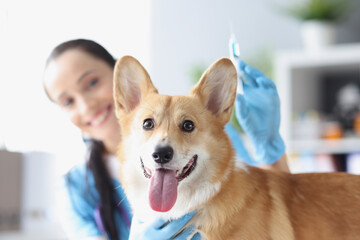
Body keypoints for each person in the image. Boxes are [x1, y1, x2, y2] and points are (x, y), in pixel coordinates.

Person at [43, 39, 288, 240]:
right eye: (68, 101)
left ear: (122, 81)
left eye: (92, 82)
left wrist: (269, 146)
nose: (86, 105)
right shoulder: (75, 190)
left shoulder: (207, 137)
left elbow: (276, 210)